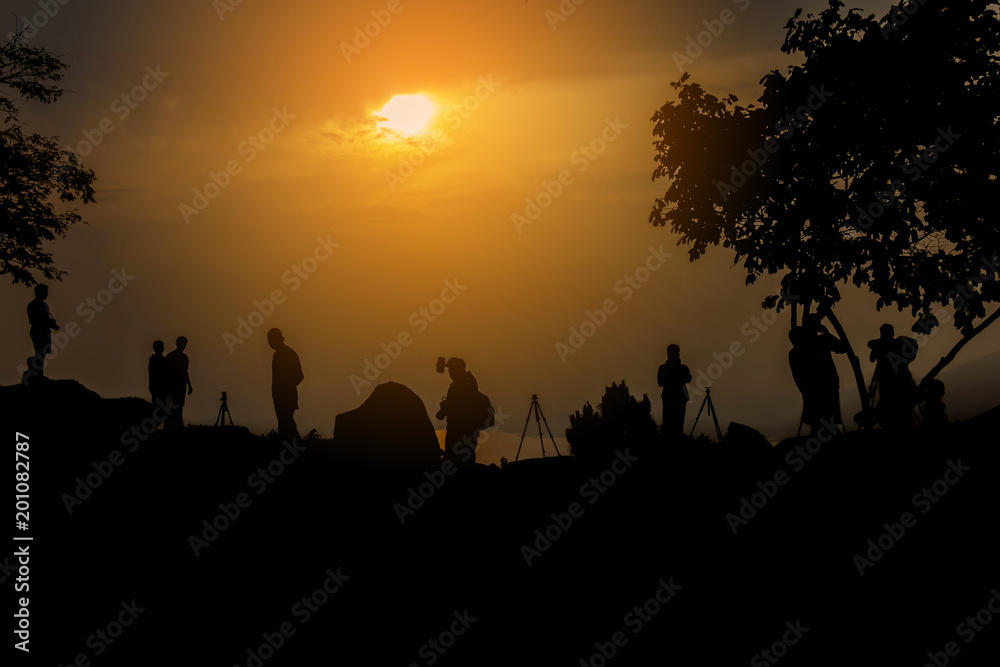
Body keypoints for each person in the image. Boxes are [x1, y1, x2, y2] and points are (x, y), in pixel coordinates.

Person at [791, 313, 848, 433]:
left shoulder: (796, 350)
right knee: (829, 419)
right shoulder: (824, 340)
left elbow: (797, 375)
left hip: (812, 388)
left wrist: (804, 388)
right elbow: (843, 347)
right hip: (827, 385)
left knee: (816, 422)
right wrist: (827, 333)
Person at [435, 357, 486, 466]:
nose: (450, 374)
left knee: (454, 463)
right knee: (467, 460)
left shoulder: (457, 387)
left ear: (456, 370)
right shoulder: (470, 382)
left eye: (451, 371)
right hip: (469, 433)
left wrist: (444, 408)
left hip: (457, 433)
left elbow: (444, 413)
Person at [868, 323, 918, 428]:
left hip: (887, 382)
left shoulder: (881, 344)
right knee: (900, 410)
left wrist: (877, 345)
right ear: (893, 333)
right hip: (898, 382)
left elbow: (872, 358)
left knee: (889, 408)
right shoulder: (897, 344)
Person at [267, 328, 304, 442]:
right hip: (280, 397)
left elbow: (299, 376)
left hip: (286, 398)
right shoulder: (279, 354)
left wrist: (286, 388)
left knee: (286, 426)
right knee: (285, 425)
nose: (270, 343)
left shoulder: (287, 354)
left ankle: (296, 449)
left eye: (271, 340)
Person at [657, 344, 692, 438]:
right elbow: (660, 382)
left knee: (674, 425)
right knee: (675, 425)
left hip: (673, 397)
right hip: (675, 397)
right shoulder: (682, 368)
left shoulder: (664, 368)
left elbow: (660, 382)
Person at [26, 284, 59, 383]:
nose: (47, 294)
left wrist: (51, 323)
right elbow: (37, 320)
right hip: (38, 331)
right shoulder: (36, 304)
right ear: (40, 292)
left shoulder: (42, 304)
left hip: (44, 331)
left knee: (42, 353)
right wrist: (50, 323)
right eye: (45, 292)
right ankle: (36, 373)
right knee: (40, 353)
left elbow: (44, 319)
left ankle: (38, 373)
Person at [165, 336, 193, 429]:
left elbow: (185, 372)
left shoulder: (182, 357)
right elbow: (166, 372)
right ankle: (172, 425)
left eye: (184, 344)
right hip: (173, 385)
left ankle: (175, 424)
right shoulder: (171, 356)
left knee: (179, 405)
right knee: (173, 405)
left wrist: (189, 384)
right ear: (177, 343)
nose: (183, 346)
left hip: (180, 385)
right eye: (182, 343)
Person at [148, 340, 169, 427]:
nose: (162, 348)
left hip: (159, 388)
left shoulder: (157, 359)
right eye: (160, 346)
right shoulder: (157, 359)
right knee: (160, 410)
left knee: (162, 410)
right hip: (159, 388)